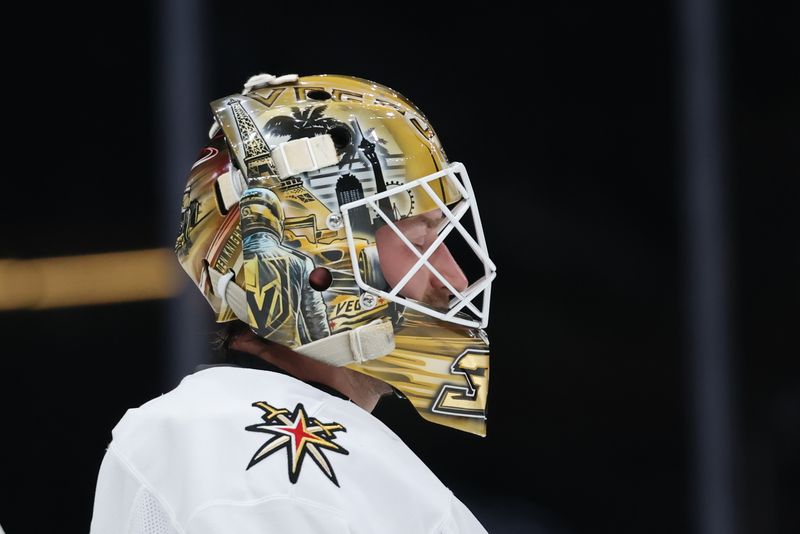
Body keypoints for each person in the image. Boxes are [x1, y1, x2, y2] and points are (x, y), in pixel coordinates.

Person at [90, 73, 497, 533]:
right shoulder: (237, 448)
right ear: (320, 252)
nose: (454, 277)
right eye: (419, 235)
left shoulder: (200, 436)